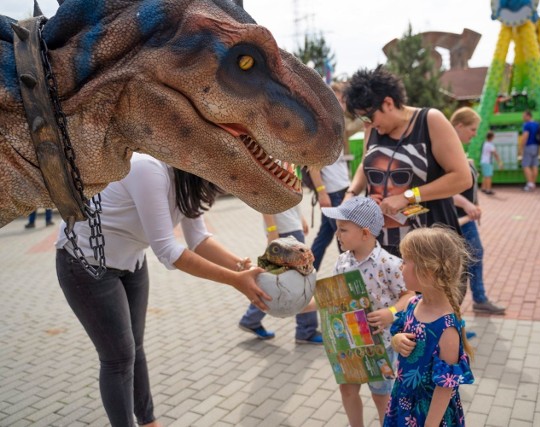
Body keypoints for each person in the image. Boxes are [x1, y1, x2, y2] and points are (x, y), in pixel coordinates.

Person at [55, 153, 271, 427]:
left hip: (131, 261)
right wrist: (234, 280)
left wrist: (240, 267)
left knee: (136, 348)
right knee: (118, 357)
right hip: (86, 263)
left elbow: (199, 239)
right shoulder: (149, 169)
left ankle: (148, 422)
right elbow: (168, 250)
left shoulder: (190, 180)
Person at [343, 66, 471, 257]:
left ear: (388, 103)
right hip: (384, 244)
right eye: (362, 118)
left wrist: (408, 196)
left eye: (368, 116)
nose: (367, 124)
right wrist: (351, 193)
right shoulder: (373, 128)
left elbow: (462, 178)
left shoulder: (430, 121)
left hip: (429, 243)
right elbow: (365, 165)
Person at [320, 196, 414, 427]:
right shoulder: (341, 261)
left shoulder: (389, 263)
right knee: (347, 389)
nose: (337, 235)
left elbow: (409, 294)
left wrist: (391, 312)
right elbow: (331, 297)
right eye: (337, 229)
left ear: (364, 233)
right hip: (348, 342)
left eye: (343, 229)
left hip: (380, 344)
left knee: (381, 396)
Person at [384, 227, 475, 427]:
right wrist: (397, 340)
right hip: (403, 400)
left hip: (430, 415)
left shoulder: (447, 328)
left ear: (427, 270)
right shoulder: (412, 303)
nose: (400, 267)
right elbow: (399, 332)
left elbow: (445, 387)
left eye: (406, 261)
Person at [238, 203, 323, 344]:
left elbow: (290, 196)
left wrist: (299, 219)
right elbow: (264, 196)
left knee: (279, 282)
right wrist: (272, 230)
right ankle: (306, 330)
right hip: (284, 230)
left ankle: (251, 319)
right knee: (299, 281)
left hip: (291, 226)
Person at [450, 107, 506, 315]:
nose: (474, 134)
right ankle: (464, 308)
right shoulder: (446, 149)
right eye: (472, 129)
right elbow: (440, 188)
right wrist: (467, 204)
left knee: (472, 257)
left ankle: (470, 304)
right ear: (459, 126)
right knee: (467, 260)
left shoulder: (456, 150)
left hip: (466, 216)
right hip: (458, 218)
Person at [308, 82, 352, 271]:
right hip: (333, 193)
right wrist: (322, 193)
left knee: (324, 236)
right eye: (337, 101)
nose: (341, 105)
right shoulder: (321, 130)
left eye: (342, 100)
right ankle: (349, 276)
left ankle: (306, 272)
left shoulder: (335, 127)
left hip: (342, 189)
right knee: (345, 238)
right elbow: (313, 166)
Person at [520, 110, 540, 192]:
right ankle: (533, 183)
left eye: (524, 116)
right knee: (535, 165)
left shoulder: (527, 125)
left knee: (525, 165)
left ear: (528, 116)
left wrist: (521, 147)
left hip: (529, 146)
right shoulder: (537, 124)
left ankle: (530, 184)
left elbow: (525, 136)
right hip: (537, 146)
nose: (523, 117)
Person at [480, 131, 503, 195]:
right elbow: (495, 154)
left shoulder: (485, 143)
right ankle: (488, 190)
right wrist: (500, 163)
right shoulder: (490, 145)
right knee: (488, 176)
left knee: (485, 176)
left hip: (483, 161)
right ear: (492, 137)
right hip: (487, 162)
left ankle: (483, 188)